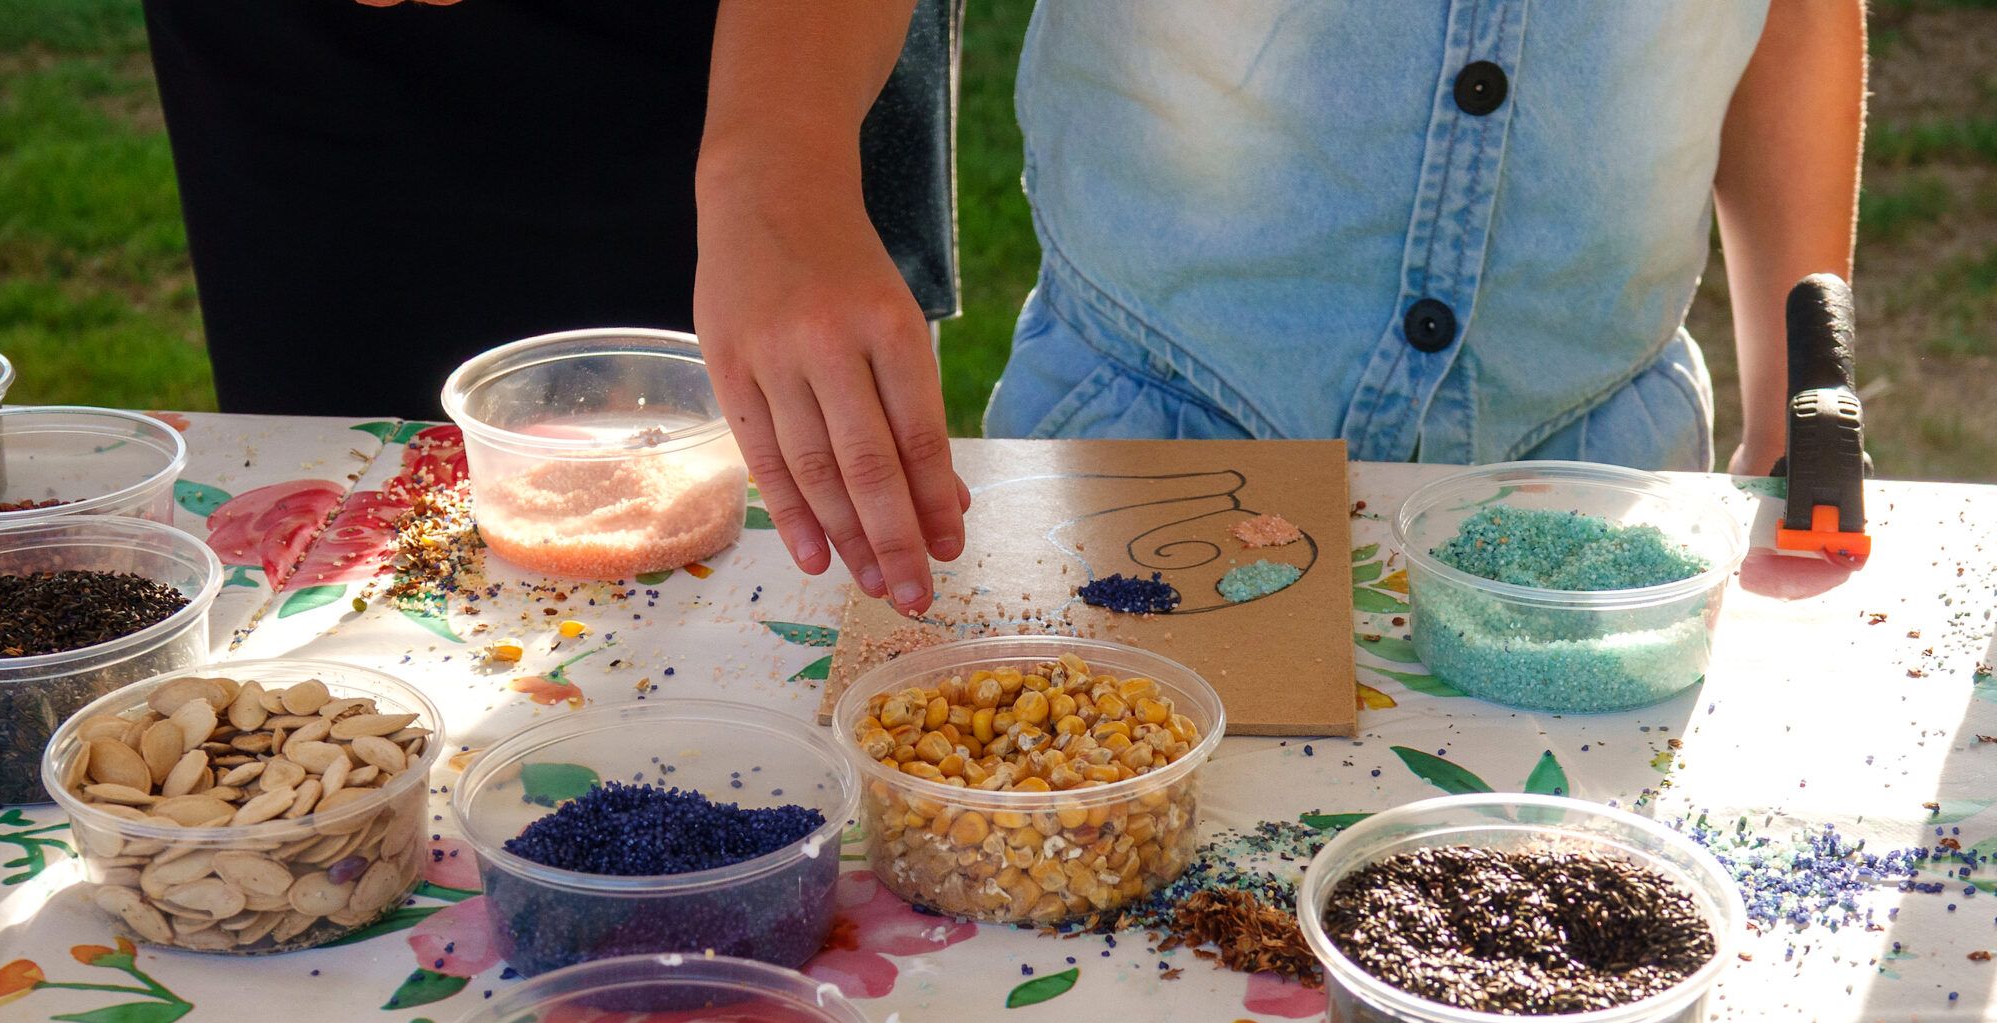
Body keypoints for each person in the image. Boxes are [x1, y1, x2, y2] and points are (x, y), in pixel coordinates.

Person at [695, 0, 1864, 617]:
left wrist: (1799, 384)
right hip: (1143, 457)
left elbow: (1791, 13)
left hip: (1598, 488)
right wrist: (769, 170)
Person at [140, 0, 961, 417]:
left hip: (775, 54)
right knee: (347, 552)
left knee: (782, 566)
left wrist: (780, 160)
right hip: (315, 78)